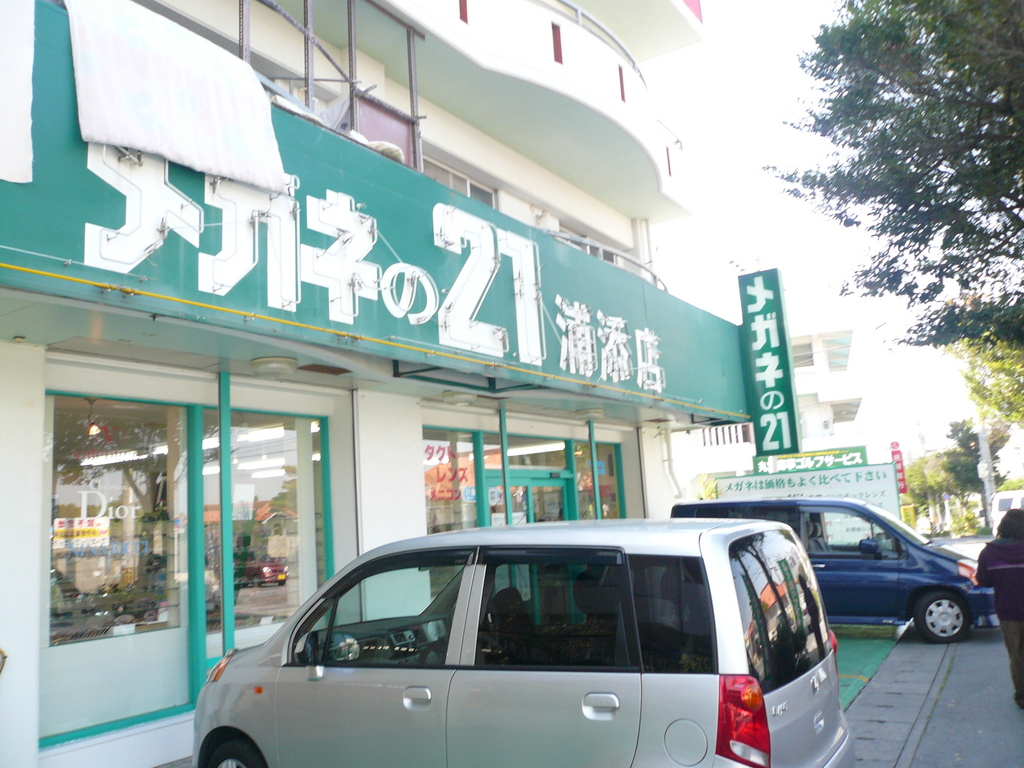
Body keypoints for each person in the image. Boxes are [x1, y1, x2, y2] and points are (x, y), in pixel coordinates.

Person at [976, 508, 1024, 709]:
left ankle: (1022, 696)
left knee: (1016, 656)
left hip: (1008, 612)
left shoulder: (989, 553)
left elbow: (984, 580)